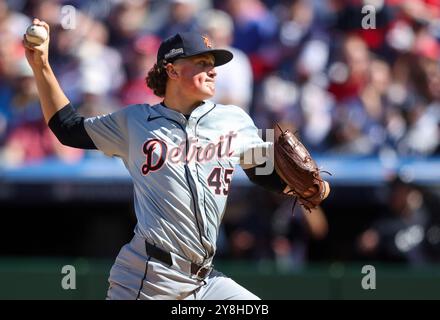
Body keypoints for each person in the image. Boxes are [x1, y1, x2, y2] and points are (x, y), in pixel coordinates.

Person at [24, 18, 327, 300]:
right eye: (202, 63)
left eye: (213, 64)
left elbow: (263, 173)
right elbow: (68, 129)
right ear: (172, 70)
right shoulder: (136, 121)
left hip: (205, 281)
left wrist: (307, 189)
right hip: (149, 276)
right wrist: (42, 66)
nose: (213, 71)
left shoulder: (233, 119)